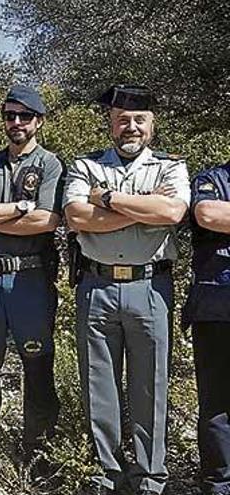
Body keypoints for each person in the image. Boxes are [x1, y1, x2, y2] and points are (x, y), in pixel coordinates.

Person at [63, 84, 189, 495]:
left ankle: (150, 476)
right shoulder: (85, 166)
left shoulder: (171, 168)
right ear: (110, 124)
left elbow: (170, 212)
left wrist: (110, 199)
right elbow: (78, 217)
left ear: (152, 124)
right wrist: (140, 208)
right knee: (99, 385)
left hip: (149, 288)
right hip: (96, 287)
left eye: (139, 120)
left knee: (150, 386)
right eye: (122, 120)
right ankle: (107, 473)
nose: (130, 127)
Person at [0, 85, 62, 464]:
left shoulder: (50, 165)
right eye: (10, 116)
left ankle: (38, 450)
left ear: (38, 121)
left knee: (37, 363)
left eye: (24, 116)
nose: (16, 123)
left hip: (30, 280)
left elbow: (45, 221)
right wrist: (20, 209)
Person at [184, 162, 230, 495]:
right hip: (216, 309)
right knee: (217, 404)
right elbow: (209, 214)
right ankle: (219, 484)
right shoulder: (212, 178)